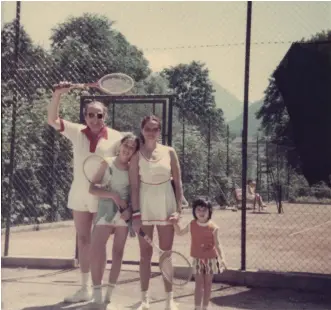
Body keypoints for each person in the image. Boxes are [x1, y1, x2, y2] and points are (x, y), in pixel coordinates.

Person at [47, 82, 123, 303]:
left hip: (102, 196)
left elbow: (124, 164)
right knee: (83, 239)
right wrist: (57, 95)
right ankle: (84, 288)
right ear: (85, 116)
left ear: (105, 116)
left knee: (99, 244)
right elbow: (52, 120)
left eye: (99, 115)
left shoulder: (116, 137)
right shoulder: (77, 132)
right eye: (90, 115)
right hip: (79, 194)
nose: (94, 119)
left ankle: (99, 291)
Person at [129, 115, 183, 310]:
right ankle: (145, 300)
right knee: (145, 254)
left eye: (155, 129)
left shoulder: (170, 152)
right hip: (144, 207)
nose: (151, 132)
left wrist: (178, 211)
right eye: (148, 129)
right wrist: (135, 215)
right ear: (142, 130)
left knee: (165, 254)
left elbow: (178, 183)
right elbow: (134, 187)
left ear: (160, 131)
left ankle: (169, 300)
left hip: (166, 204)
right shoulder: (136, 155)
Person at [88, 133, 140, 308]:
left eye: (132, 147)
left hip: (123, 216)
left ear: (135, 152)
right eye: (126, 145)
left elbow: (135, 193)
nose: (128, 149)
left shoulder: (133, 168)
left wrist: (130, 211)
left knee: (118, 253)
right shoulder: (107, 162)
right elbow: (92, 188)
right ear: (120, 145)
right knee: (96, 250)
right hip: (104, 212)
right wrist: (113, 195)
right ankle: (96, 294)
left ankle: (108, 297)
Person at [168, 198, 227, 310]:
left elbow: (218, 245)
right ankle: (196, 308)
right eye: (198, 209)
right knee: (198, 285)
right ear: (194, 211)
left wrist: (222, 259)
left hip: (211, 260)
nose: (201, 212)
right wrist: (175, 223)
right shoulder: (192, 224)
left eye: (204, 210)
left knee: (208, 284)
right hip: (197, 259)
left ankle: (205, 307)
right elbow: (180, 232)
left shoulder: (214, 228)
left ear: (209, 211)